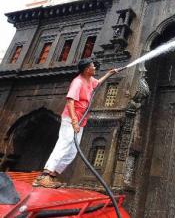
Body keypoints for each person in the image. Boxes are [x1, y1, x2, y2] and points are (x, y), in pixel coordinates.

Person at [33, 58, 119, 188]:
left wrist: (109, 74)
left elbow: (98, 83)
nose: (95, 68)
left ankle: (51, 176)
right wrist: (74, 121)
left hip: (81, 120)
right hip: (71, 119)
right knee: (64, 144)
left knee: (73, 150)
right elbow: (70, 101)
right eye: (92, 66)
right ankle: (44, 175)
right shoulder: (77, 82)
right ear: (86, 69)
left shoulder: (89, 80)